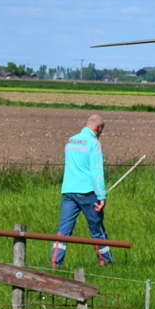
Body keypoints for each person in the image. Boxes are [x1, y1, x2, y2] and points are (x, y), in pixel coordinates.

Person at [51, 114, 113, 267]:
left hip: (68, 191)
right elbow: (97, 171)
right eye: (101, 130)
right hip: (87, 192)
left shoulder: (71, 140)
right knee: (97, 229)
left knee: (63, 230)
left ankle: (54, 262)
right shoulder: (94, 143)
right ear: (98, 128)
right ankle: (106, 262)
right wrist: (102, 195)